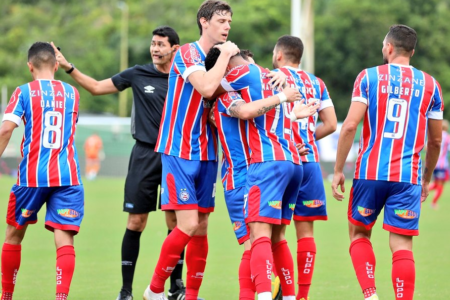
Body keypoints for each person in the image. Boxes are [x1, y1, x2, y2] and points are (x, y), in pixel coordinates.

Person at [51, 26, 185, 300]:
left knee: (177, 223)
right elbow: (98, 88)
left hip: (175, 156)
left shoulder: (186, 77)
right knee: (136, 222)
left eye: (161, 44)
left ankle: (176, 287)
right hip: (144, 155)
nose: (155, 48)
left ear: (175, 48)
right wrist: (68, 67)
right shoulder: (138, 73)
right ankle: (126, 291)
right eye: (153, 44)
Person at [331, 24, 443, 300]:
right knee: (403, 245)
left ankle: (370, 295)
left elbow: (349, 127)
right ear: (413, 52)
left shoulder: (368, 77)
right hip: (408, 177)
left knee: (359, 234)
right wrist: (426, 177)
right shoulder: (431, 85)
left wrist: (337, 170)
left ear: (389, 48)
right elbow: (436, 141)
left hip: (370, 171)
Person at [145, 1, 240, 299]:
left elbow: (243, 89)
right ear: (204, 22)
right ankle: (154, 290)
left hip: (209, 152)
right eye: (221, 21)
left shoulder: (224, 57)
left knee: (201, 227)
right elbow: (207, 88)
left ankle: (192, 295)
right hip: (179, 148)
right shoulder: (187, 52)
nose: (226, 27)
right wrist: (226, 56)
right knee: (188, 224)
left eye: (229, 22)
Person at [205, 48, 316, 300]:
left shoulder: (233, 95)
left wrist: (284, 102)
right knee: (275, 239)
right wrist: (290, 107)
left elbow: (245, 110)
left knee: (253, 243)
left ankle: (260, 295)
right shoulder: (239, 93)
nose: (258, 72)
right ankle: (286, 295)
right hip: (286, 164)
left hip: (248, 173)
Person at [0, 42, 84, 300]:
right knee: (64, 239)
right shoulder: (72, 93)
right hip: (68, 176)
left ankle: (6, 296)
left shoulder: (23, 92)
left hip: (33, 176)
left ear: (30, 66)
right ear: (57, 65)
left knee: (14, 235)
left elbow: (5, 129)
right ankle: (61, 297)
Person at [272, 35, 337, 300]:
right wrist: (307, 138)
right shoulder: (316, 83)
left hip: (282, 160)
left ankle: (281, 289)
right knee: (306, 232)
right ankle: (302, 296)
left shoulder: (271, 77)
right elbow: (332, 124)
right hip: (309, 162)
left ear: (278, 55)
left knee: (275, 232)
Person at [429, 119, 450, 209]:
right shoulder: (447, 137)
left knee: (437, 183)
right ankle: (433, 203)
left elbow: (427, 147)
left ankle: (421, 192)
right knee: (440, 184)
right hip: (442, 164)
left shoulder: (434, 135)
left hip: (434, 163)